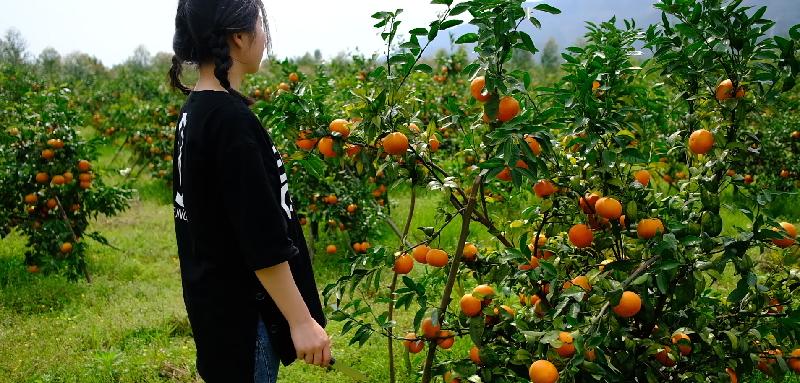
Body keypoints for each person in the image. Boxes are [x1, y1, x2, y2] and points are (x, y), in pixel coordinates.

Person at [167, 0, 330, 381]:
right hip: (246, 315)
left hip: (216, 307)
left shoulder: (197, 109)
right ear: (239, 37)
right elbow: (261, 239)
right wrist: (301, 321)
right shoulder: (230, 122)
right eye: (261, 27)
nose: (265, 39)